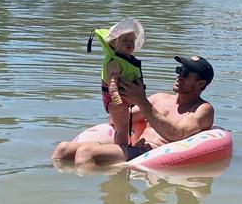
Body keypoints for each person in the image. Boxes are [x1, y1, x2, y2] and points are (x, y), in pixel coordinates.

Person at [51, 54, 215, 170]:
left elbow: (178, 133)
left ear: (200, 84)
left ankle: (79, 202)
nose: (179, 76)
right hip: (133, 148)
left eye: (186, 74)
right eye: (179, 70)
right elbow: (114, 121)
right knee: (63, 149)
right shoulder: (159, 98)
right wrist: (118, 98)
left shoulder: (203, 109)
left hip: (151, 154)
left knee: (86, 153)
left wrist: (141, 100)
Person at [87, 18, 145, 148]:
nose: (129, 43)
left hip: (124, 100)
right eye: (124, 40)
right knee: (123, 128)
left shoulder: (127, 59)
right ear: (114, 43)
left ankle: (124, 144)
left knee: (125, 125)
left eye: (132, 41)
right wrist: (117, 99)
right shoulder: (115, 62)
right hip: (115, 101)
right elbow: (112, 83)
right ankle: (121, 150)